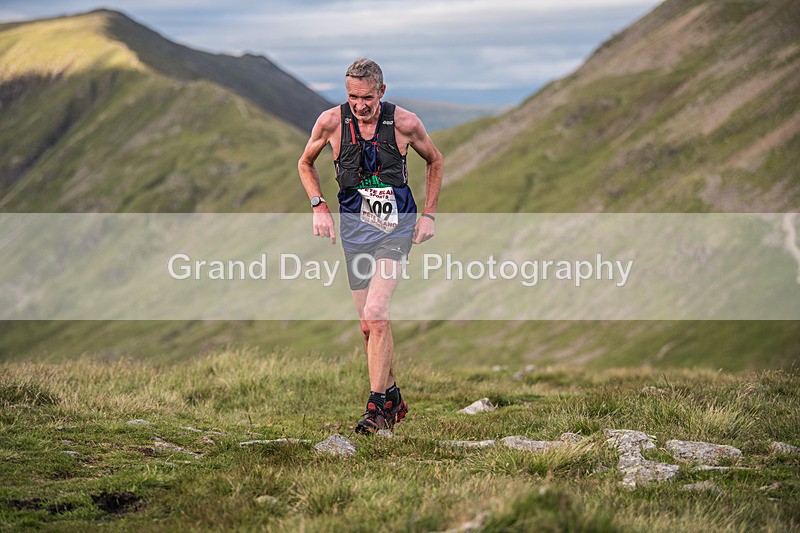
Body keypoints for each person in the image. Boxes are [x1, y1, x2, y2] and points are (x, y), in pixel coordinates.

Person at [297, 57, 443, 435]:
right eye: (352, 97)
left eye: (367, 97)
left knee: (377, 313)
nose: (360, 105)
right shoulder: (330, 122)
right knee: (367, 326)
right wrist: (318, 206)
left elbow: (435, 160)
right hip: (355, 231)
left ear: (382, 91)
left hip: (396, 229)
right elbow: (305, 163)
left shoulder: (406, 123)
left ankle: (376, 410)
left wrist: (429, 214)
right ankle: (392, 397)